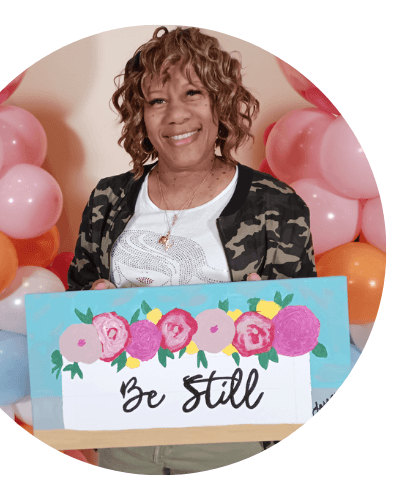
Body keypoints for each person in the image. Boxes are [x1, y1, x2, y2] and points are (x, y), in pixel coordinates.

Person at [68, 26, 316, 475]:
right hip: (124, 432)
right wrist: (91, 303)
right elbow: (75, 311)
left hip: (234, 440)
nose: (176, 115)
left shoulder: (276, 205)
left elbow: (306, 338)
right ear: (141, 116)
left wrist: (271, 312)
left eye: (193, 93)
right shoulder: (109, 198)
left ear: (220, 103)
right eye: (156, 100)